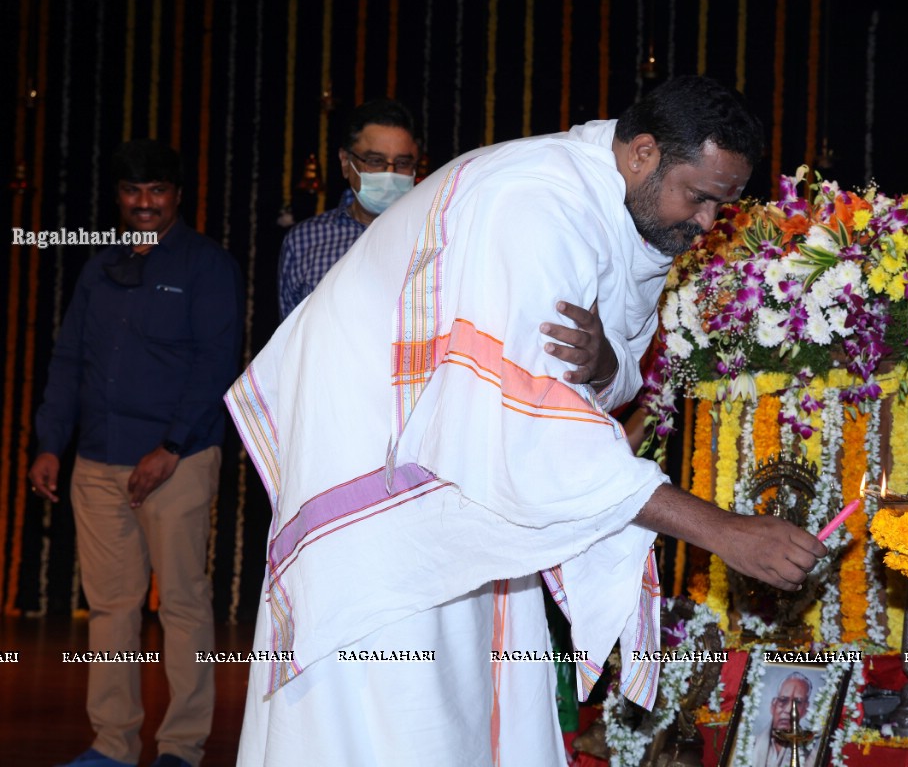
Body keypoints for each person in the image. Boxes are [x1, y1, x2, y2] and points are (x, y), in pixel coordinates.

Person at [226, 75, 827, 766]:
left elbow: (604, 372)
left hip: (463, 464)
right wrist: (723, 531)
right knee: (395, 700)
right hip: (377, 468)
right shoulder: (533, 205)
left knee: (480, 693)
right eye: (700, 197)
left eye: (723, 203)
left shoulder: (629, 213)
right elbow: (536, 424)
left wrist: (605, 364)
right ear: (642, 153)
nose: (707, 222)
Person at [30, 140, 243, 767]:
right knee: (111, 610)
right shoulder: (100, 265)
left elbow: (215, 366)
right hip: (96, 462)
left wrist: (171, 446)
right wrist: (50, 443)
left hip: (175, 462)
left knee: (181, 602)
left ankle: (181, 746)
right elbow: (69, 359)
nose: (144, 203)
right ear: (119, 198)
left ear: (177, 195)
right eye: (132, 191)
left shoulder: (208, 266)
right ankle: (113, 745)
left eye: (156, 190)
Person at [277, 98, 420, 319]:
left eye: (402, 163)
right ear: (345, 161)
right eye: (375, 161)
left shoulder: (437, 237)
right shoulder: (306, 240)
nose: (389, 174)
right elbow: (291, 341)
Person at [753, 672, 817, 767]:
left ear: (805, 709)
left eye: (798, 702)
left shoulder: (811, 755)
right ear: (773, 705)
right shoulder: (750, 745)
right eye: (783, 700)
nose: (788, 710)